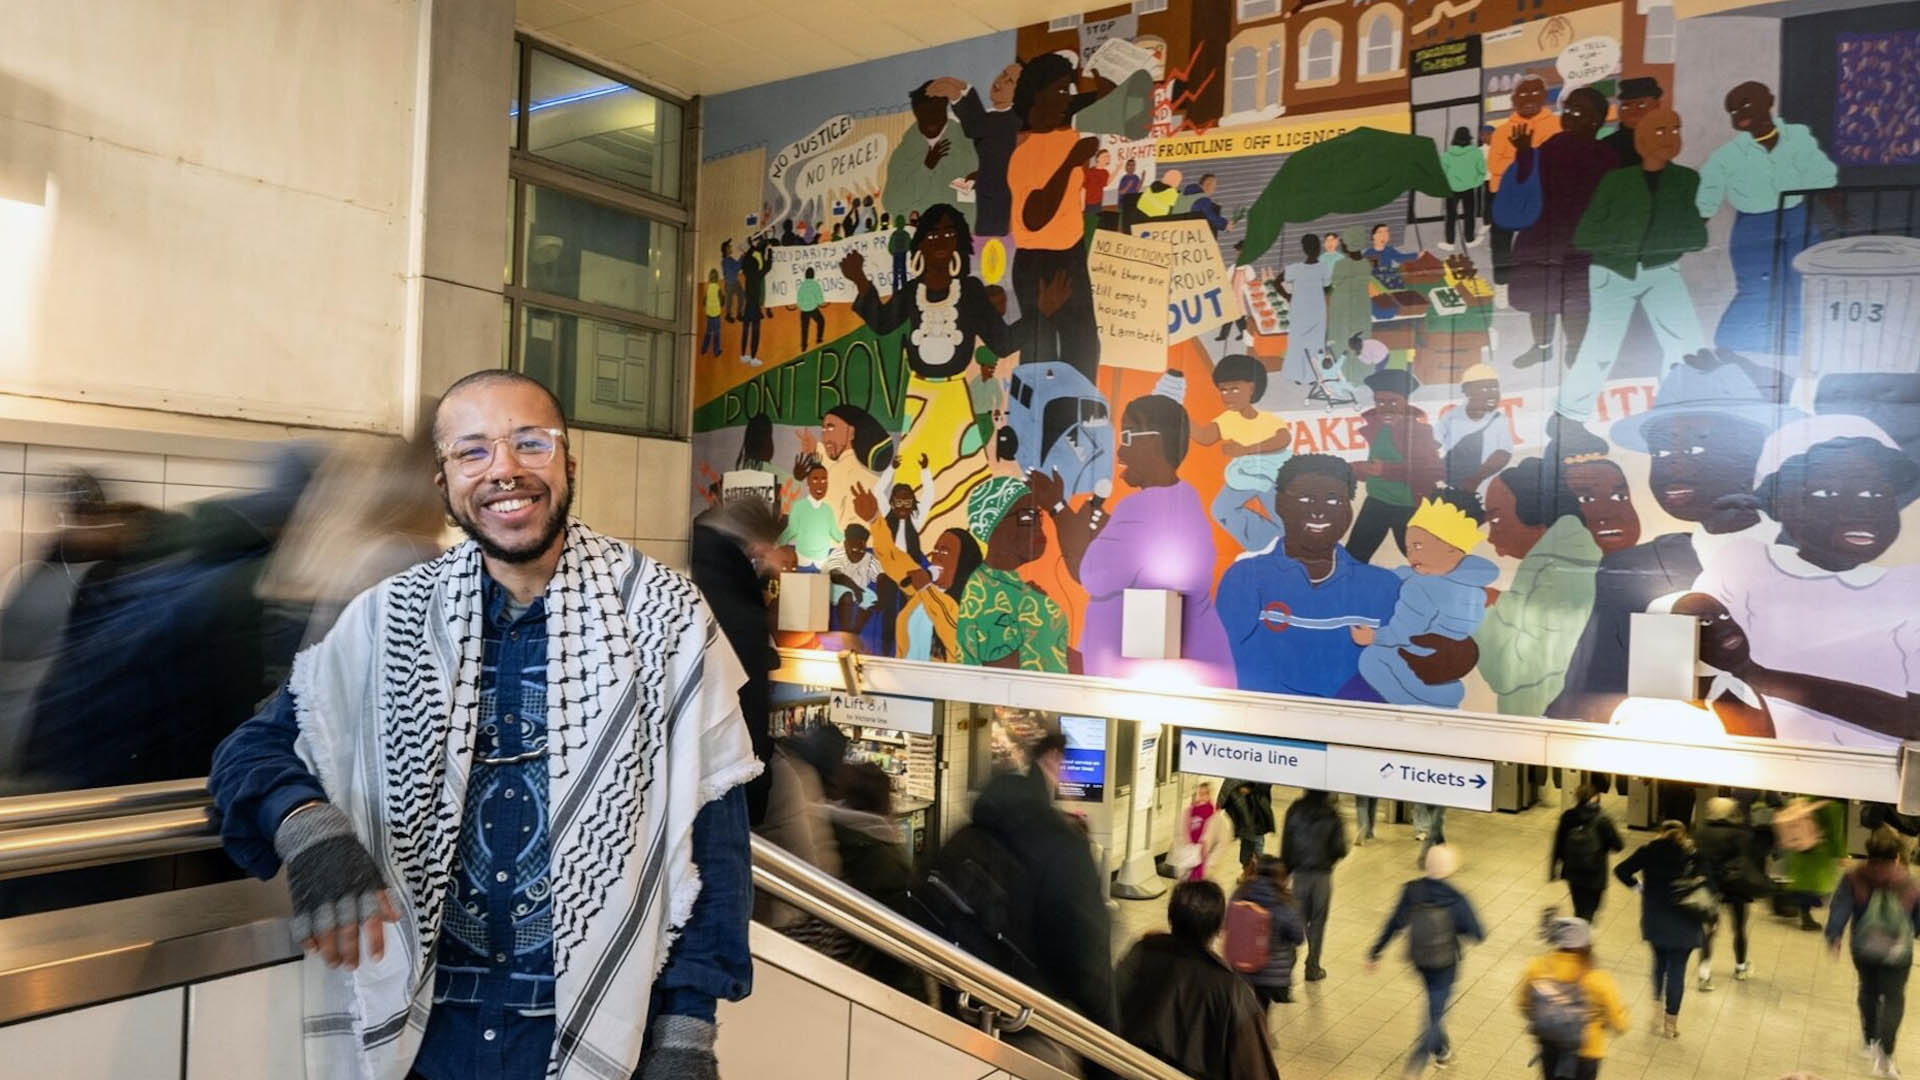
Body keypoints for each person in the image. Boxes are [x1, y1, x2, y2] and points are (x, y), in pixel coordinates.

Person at [206, 371, 757, 1080]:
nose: (504, 469)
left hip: (593, 1035)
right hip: (431, 1042)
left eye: (530, 443)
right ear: (443, 481)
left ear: (567, 465)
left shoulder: (663, 618)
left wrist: (688, 1029)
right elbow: (252, 749)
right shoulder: (391, 620)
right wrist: (308, 826)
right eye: (473, 452)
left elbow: (713, 833)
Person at [1549, 356, 1799, 723]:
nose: (1673, 466)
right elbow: (1592, 695)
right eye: (1661, 452)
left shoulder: (1806, 561)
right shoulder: (1640, 569)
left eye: (1696, 449)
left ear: (1752, 455)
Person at [1696, 415, 1920, 745]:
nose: (1859, 510)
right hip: (1757, 773)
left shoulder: (1908, 588)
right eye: (1825, 492)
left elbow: (1914, 720)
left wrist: (1760, 677)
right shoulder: (1744, 563)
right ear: (1778, 504)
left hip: (1874, 785)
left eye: (1875, 494)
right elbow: (1688, 663)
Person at [1031, 391, 1237, 685]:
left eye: (1127, 438)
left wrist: (1056, 506)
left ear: (1154, 441)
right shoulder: (1183, 498)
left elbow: (1088, 574)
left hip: (1149, 690)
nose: (1119, 453)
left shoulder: (1140, 508)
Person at [965, 734, 1117, 1059]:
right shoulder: (1063, 847)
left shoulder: (975, 828)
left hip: (966, 1005)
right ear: (1051, 758)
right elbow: (1087, 961)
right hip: (1029, 1017)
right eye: (1063, 762)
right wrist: (1110, 1050)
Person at [1561, 107, 1710, 432]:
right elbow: (1585, 234)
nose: (1669, 137)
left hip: (1661, 268)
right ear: (1641, 140)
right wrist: (1627, 242)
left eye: (1675, 128)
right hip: (1613, 272)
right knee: (1600, 347)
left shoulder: (1686, 179)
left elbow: (1696, 236)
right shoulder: (1617, 182)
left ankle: (1681, 413)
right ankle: (1569, 417)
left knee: (1687, 344)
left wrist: (1662, 242)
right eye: (1659, 130)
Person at [1695, 81, 1838, 355]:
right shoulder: (1727, 156)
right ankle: (1727, 347)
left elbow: (1819, 174)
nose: (1740, 113)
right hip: (1754, 225)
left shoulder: (1797, 137)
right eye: (1734, 110)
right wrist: (1696, 227)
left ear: (1769, 101)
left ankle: (1793, 350)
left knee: (1800, 286)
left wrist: (1838, 211)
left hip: (1797, 221)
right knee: (1757, 287)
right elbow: (1708, 194)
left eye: (1746, 104)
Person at [1474, 456, 1602, 716]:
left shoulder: (1564, 568)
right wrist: (1500, 601)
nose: (1490, 536)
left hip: (1536, 721)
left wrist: (1481, 611)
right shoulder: (1562, 560)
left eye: (1496, 520)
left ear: (1534, 512)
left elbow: (1515, 672)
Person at [1115, 881, 1281, 1080]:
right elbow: (1254, 1068)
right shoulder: (1232, 990)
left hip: (1127, 1068)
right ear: (1219, 927)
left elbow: (1110, 1002)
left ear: (1172, 917)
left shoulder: (1142, 952)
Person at [690, 495, 787, 826]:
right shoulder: (736, 603)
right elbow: (748, 700)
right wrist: (758, 786)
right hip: (726, 781)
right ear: (755, 547)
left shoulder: (687, 566)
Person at [1351, 492, 1497, 708]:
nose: (1411, 556)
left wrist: (1372, 637)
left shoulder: (1419, 588)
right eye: (1409, 548)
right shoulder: (1471, 583)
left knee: (1371, 659)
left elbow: (1404, 631)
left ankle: (1411, 705)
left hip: (1414, 656)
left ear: (1450, 546)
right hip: (1447, 663)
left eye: (1418, 546)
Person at [1006, 53, 1103, 379]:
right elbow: (1035, 217)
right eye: (1061, 90)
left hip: (1070, 253)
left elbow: (1107, 100)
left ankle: (1081, 422)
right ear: (1038, 93)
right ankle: (1038, 424)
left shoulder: (1064, 134)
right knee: (1043, 353)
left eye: (1069, 90)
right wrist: (1071, 161)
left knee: (1084, 349)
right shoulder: (1026, 152)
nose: (1068, 98)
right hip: (1041, 261)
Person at [1508, 86, 1616, 370]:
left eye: (1577, 112)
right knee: (1540, 295)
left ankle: (1575, 349)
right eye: (1567, 110)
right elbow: (1529, 177)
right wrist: (1523, 152)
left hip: (1579, 237)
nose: (1569, 116)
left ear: (1595, 121)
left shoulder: (1604, 155)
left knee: (1574, 298)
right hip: (1544, 233)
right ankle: (1543, 347)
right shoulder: (1555, 144)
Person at [1367, 845, 1485, 1079]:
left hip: (1419, 959)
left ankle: (1442, 1051)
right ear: (1451, 869)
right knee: (1435, 1014)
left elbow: (1394, 923)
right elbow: (1478, 933)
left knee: (1434, 1007)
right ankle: (1417, 1063)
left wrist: (1375, 952)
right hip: (1445, 964)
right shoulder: (1457, 898)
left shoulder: (1412, 890)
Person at [827, 761, 928, 1001]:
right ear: (885, 801)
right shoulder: (885, 860)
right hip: (869, 982)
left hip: (833, 966)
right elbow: (898, 946)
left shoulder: (824, 831)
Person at [1827, 826, 1920, 1080]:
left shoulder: (1854, 876)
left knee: (1868, 989)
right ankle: (1885, 1053)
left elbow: (1840, 907)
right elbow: (1917, 916)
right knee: (1893, 998)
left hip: (1864, 947)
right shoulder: (1907, 880)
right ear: (1897, 855)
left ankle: (1869, 1040)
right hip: (1897, 951)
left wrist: (1834, 935)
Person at [956, 477, 1071, 672]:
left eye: (1038, 515)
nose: (1038, 526)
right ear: (995, 526)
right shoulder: (981, 594)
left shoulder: (1015, 588)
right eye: (1027, 516)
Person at [1614, 820, 1707, 1039]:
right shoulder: (1692, 854)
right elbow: (1707, 883)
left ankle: (1655, 1015)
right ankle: (1670, 1024)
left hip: (1656, 919)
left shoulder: (1649, 851)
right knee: (1677, 972)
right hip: (1686, 920)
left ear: (1661, 833)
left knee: (1659, 965)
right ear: (1683, 834)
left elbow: (1620, 870)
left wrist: (1639, 887)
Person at [1196, 353, 1293, 552]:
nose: (1227, 395)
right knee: (1221, 510)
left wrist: (1247, 450)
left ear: (1252, 387)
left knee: (1286, 519)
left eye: (1234, 388)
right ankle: (1267, 542)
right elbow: (1205, 437)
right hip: (1244, 476)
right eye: (1223, 390)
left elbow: (1283, 439)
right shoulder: (1227, 419)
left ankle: (1287, 545)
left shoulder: (1267, 419)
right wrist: (1179, 417)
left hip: (1272, 476)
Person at [1349, 367, 1445, 563]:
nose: (1386, 407)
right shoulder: (1375, 428)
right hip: (1377, 501)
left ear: (1405, 401)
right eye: (1380, 401)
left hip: (1409, 506)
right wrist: (1359, 470)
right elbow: (1374, 464)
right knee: (1354, 557)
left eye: (1393, 401)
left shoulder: (1420, 432)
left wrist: (1386, 470)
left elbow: (1434, 470)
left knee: (1421, 560)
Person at [1517, 917, 1629, 1080]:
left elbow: (1523, 1004)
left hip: (1550, 1044)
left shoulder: (1537, 967)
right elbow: (1620, 1024)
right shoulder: (1598, 978)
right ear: (1586, 945)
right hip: (1587, 1051)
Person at [1487, 74, 1562, 287]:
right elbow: (1494, 166)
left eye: (1536, 92)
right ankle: (1502, 285)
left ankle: (1537, 283)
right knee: (1501, 241)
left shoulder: (1557, 126)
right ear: (1513, 99)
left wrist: (1522, 158)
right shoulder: (1502, 131)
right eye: (1523, 93)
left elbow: (1556, 163)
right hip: (1504, 194)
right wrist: (1528, 157)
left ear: (1545, 97)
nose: (1529, 98)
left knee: (1539, 240)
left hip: (1542, 193)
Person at [941, 63, 1023, 237]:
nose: (999, 82)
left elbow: (974, 126)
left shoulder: (1008, 120)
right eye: (1002, 74)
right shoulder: (1000, 117)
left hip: (998, 191)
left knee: (992, 236)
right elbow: (979, 121)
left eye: (1009, 81)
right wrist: (965, 89)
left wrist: (957, 95)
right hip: (990, 187)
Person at [884, 80, 980, 227]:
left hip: (964, 235)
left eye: (936, 111)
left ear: (944, 108)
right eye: (925, 113)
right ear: (916, 113)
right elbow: (891, 203)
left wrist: (982, 178)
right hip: (921, 240)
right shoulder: (903, 154)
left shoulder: (968, 142)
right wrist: (926, 169)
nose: (931, 118)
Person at [1695, 796, 1764, 988]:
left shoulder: (1700, 832)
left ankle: (1704, 974)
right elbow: (1750, 857)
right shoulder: (1739, 834)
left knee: (1709, 930)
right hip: (1736, 888)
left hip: (1710, 888)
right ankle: (1740, 967)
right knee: (1739, 928)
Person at [1281, 788, 1349, 982]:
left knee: (1296, 919)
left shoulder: (1295, 810)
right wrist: (1328, 859)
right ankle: (1312, 967)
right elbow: (1341, 848)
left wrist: (1286, 870)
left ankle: (1286, 965)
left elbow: (1287, 844)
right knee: (1318, 922)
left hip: (1300, 874)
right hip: (1322, 876)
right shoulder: (1332, 813)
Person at [1229, 854, 1306, 1008]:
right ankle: (1258, 1030)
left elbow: (1227, 923)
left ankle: (1252, 1028)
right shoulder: (1284, 902)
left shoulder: (1240, 893)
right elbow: (1298, 937)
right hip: (1270, 975)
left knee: (1250, 1009)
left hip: (1241, 967)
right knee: (1261, 1010)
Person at [1551, 783, 1626, 922]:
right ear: (1596, 798)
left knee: (1579, 909)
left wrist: (1553, 868)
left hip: (1573, 871)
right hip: (1595, 873)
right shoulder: (1603, 819)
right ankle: (1582, 935)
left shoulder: (1568, 816)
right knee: (1590, 911)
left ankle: (1579, 931)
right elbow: (1619, 846)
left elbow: (1558, 844)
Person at [1436, 363, 1512, 497]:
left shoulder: (1499, 420)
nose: (1492, 393)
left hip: (1486, 491)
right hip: (1451, 489)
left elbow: (1504, 453)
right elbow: (1434, 446)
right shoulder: (1451, 418)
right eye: (1484, 389)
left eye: (1495, 388)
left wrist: (1475, 479)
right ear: (1468, 392)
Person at [1275, 233, 1332, 386]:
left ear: (1304, 249)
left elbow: (1276, 282)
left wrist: (1288, 296)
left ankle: (1298, 375)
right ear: (1319, 249)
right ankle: (1313, 376)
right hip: (1317, 309)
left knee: (1297, 342)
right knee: (1315, 343)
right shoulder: (1323, 268)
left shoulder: (1295, 269)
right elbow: (1327, 287)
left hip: (1300, 308)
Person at [1326, 226, 1374, 384]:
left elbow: (1335, 282)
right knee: (1360, 340)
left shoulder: (1341, 264)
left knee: (1341, 339)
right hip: (1361, 304)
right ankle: (1361, 376)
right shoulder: (1367, 264)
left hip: (1342, 304)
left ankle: (1342, 376)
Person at [778, 458, 842, 567]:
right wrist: (776, 545)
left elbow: (835, 533)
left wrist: (850, 540)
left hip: (822, 562)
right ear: (808, 482)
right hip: (802, 560)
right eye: (815, 479)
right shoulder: (799, 507)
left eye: (823, 480)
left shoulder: (828, 510)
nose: (820, 484)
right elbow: (791, 530)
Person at [1441, 126, 1488, 248]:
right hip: (1469, 189)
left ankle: (1449, 243)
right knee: (1469, 214)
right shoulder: (1476, 153)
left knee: (1450, 216)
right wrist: (1476, 182)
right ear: (1469, 139)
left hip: (1451, 189)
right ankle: (1469, 240)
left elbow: (1442, 173)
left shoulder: (1447, 155)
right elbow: (1482, 171)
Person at [1603, 77, 1664, 168]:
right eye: (1626, 106)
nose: (1632, 111)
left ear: (1656, 106)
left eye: (1641, 105)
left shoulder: (1665, 139)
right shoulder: (1608, 145)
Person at [1220, 781, 1276, 867]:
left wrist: (1251, 789)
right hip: (1241, 812)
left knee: (1256, 844)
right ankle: (1248, 868)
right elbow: (1229, 783)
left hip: (1256, 811)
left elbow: (1266, 784)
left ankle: (1256, 869)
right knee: (1246, 847)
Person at [738, 232, 772, 365]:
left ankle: (743, 355)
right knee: (756, 330)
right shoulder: (757, 269)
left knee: (746, 328)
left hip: (748, 300)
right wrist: (770, 254)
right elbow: (767, 267)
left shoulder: (748, 265)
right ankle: (753, 357)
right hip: (754, 300)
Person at [1181, 781, 1220, 882]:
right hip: (1192, 843)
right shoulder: (1193, 808)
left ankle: (1196, 883)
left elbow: (1212, 828)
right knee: (1191, 865)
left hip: (1203, 844)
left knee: (1199, 868)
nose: (1202, 797)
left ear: (1209, 795)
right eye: (1200, 794)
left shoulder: (1210, 809)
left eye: (1205, 794)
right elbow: (1187, 823)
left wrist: (1206, 841)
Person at [796, 266, 826, 351]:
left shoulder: (801, 286)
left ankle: (804, 346)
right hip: (813, 309)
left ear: (805, 276)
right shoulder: (815, 285)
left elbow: (798, 300)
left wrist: (802, 306)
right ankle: (819, 338)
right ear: (813, 275)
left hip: (803, 310)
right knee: (821, 321)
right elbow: (820, 301)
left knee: (804, 328)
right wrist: (819, 302)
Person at [700, 268, 724, 356]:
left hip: (709, 313)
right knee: (717, 332)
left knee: (708, 331)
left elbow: (704, 301)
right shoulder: (718, 288)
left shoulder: (708, 287)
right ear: (717, 277)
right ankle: (716, 351)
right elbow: (722, 301)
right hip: (716, 313)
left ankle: (704, 349)